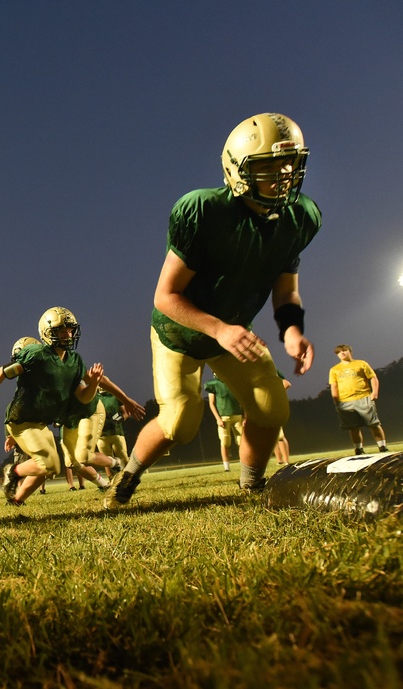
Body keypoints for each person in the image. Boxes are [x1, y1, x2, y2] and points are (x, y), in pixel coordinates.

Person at [105, 112, 319, 510]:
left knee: (272, 408)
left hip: (231, 332)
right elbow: (165, 296)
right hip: (181, 332)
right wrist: (219, 329)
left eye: (290, 163)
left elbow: (286, 290)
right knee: (179, 424)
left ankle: (252, 485)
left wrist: (291, 331)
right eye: (269, 166)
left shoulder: (299, 216)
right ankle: (128, 474)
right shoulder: (203, 211)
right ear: (237, 170)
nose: (284, 174)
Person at [0, 307, 104, 506]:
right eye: (62, 330)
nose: (68, 334)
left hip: (40, 423)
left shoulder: (74, 361)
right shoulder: (36, 355)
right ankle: (12, 472)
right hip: (22, 420)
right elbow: (1, 373)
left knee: (51, 468)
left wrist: (93, 384)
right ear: (48, 333)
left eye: (70, 329)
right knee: (48, 464)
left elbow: (83, 397)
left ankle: (16, 500)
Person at [328, 344, 390, 455]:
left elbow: (373, 378)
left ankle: (382, 447)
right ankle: (358, 449)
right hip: (345, 402)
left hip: (363, 398)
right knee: (353, 427)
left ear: (350, 352)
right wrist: (336, 401)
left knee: (373, 424)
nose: (342, 353)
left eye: (344, 350)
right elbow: (334, 386)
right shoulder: (334, 369)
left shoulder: (361, 363)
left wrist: (374, 392)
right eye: (338, 352)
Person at [203, 373, 243, 471]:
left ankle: (245, 464)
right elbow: (211, 404)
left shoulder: (233, 382)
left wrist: (245, 416)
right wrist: (218, 418)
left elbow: (242, 400)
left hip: (237, 415)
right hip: (224, 416)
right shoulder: (213, 384)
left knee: (242, 441)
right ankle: (226, 467)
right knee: (225, 441)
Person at [96, 390, 130, 478]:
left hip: (116, 432)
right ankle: (112, 481)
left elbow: (126, 413)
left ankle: (129, 479)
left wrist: (117, 421)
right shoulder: (93, 398)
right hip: (101, 435)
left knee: (123, 457)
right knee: (107, 460)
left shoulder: (115, 396)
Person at [274, 372, 292, 465]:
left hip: (273, 405)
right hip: (262, 406)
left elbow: (286, 384)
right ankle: (279, 460)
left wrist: (273, 394)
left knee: (280, 435)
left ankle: (286, 460)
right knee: (271, 435)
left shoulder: (271, 368)